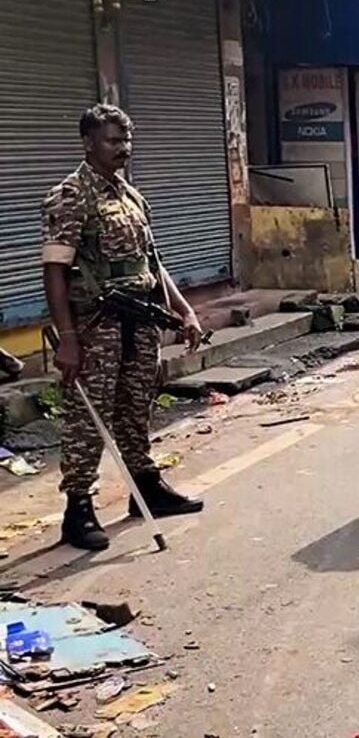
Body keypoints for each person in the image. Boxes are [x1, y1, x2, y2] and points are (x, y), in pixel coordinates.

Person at [43, 104, 206, 551]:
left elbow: (153, 262)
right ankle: (78, 509)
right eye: (113, 141)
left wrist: (184, 310)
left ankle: (145, 486)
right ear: (88, 143)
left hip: (140, 322)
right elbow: (54, 272)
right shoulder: (71, 196)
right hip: (96, 327)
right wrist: (69, 339)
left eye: (127, 140)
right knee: (87, 418)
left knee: (136, 408)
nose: (123, 149)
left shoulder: (130, 196)